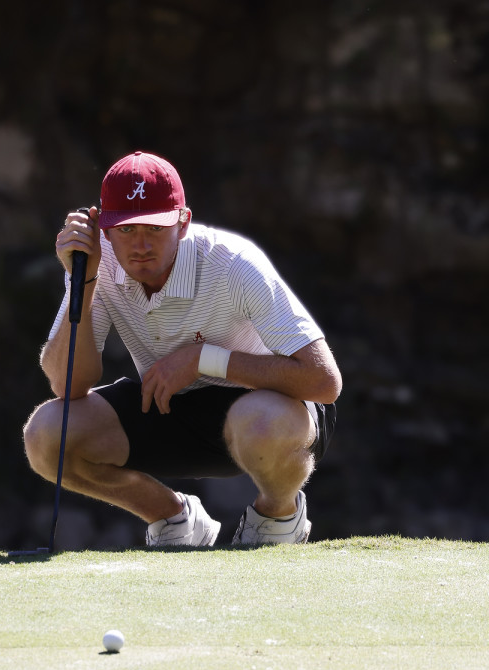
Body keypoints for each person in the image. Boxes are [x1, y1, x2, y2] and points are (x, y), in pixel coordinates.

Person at [22, 151, 341, 546]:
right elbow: (68, 384)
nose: (139, 245)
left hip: (267, 413)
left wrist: (203, 359)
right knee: (47, 435)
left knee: (259, 421)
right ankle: (174, 519)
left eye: (155, 229)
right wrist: (81, 283)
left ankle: (277, 515)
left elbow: (323, 381)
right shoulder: (95, 266)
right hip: (170, 405)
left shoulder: (234, 263)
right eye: (125, 229)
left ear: (183, 223)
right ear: (102, 227)